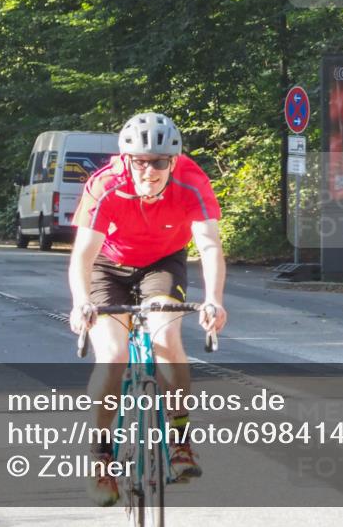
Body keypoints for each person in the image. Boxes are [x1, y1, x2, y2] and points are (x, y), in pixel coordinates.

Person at [67, 112, 228, 506]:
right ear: (126, 160)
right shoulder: (105, 184)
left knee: (166, 336)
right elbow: (83, 255)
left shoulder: (191, 181)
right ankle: (100, 458)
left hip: (162, 263)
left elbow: (208, 245)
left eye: (159, 162)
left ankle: (179, 440)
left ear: (174, 160)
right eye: (141, 161)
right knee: (113, 354)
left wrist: (214, 299)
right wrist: (80, 302)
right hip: (108, 266)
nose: (150, 170)